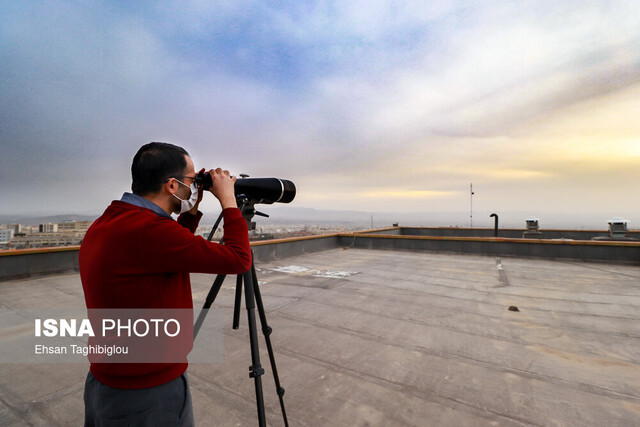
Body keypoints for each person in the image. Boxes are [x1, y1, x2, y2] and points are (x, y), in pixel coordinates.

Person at [80, 142, 252, 426]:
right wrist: (229, 202)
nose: (195, 186)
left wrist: (192, 209)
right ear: (173, 185)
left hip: (109, 383)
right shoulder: (150, 230)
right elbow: (238, 259)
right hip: (146, 394)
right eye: (192, 181)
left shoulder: (112, 220)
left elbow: (164, 253)